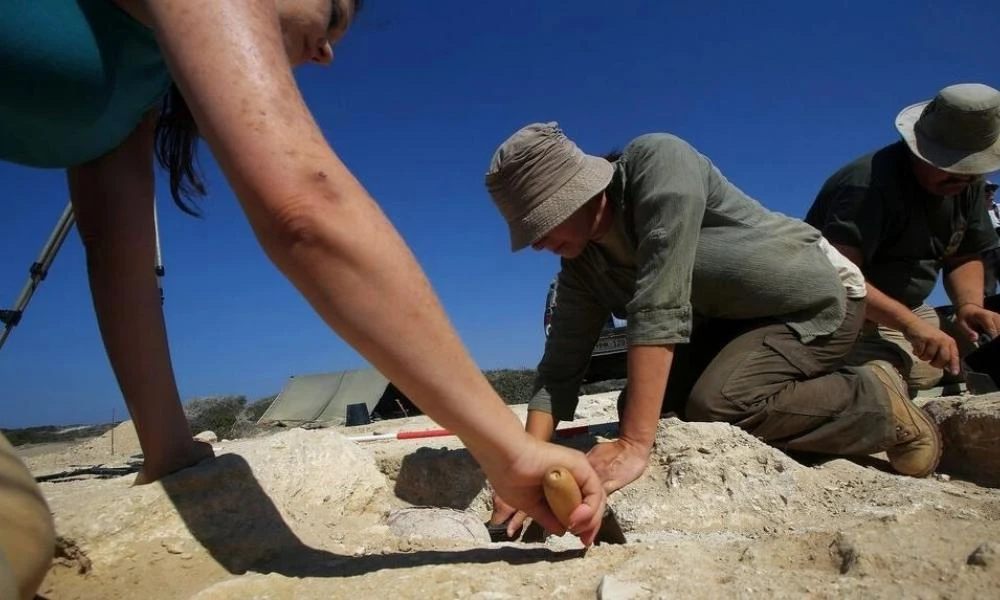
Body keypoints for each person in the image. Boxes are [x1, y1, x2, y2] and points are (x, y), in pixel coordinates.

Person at [0, 2, 605, 597]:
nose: (327, 50)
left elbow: (115, 249)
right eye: (336, 10)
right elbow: (305, 209)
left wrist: (168, 448)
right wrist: (508, 449)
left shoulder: (139, 76)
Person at [482, 122, 942, 536]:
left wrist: (633, 445)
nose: (538, 243)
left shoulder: (657, 162)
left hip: (813, 305)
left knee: (717, 402)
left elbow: (659, 301)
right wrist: (525, 465)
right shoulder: (582, 266)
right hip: (730, 327)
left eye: (542, 223)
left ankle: (878, 403)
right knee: (644, 404)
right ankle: (825, 388)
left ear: (580, 189)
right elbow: (559, 369)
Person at [805, 84, 1000, 393]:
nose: (961, 180)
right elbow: (839, 278)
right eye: (950, 168)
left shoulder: (965, 183)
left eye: (971, 171)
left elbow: (964, 254)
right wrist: (910, 327)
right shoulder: (865, 186)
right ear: (917, 149)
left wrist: (969, 305)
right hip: (851, 314)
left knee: (976, 340)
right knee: (900, 369)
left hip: (913, 311)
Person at [983, 181, 1000, 296]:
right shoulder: (975, 212)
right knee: (989, 289)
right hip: (986, 252)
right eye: (987, 189)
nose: (991, 192)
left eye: (992, 189)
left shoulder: (999, 207)